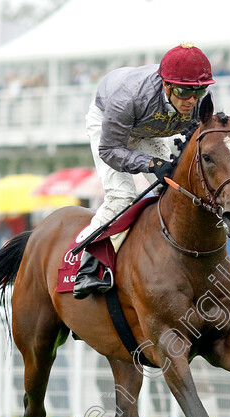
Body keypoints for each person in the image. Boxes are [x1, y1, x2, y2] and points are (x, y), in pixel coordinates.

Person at [73, 43, 215, 299]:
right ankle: (87, 265)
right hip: (111, 128)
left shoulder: (194, 100)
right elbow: (110, 150)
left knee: (176, 186)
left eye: (199, 91)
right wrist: (152, 165)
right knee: (122, 195)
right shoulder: (129, 97)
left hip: (147, 128)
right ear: (166, 85)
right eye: (184, 92)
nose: (192, 101)